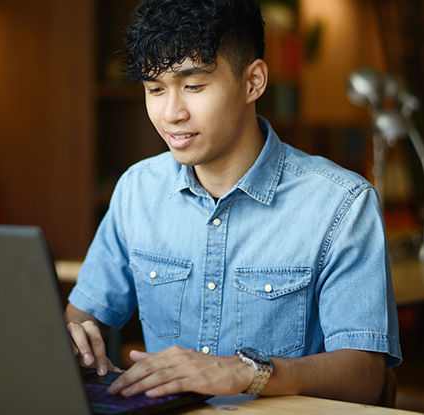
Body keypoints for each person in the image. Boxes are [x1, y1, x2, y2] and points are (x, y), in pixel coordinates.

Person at [65, 0, 401, 405]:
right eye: (155, 89)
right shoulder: (138, 190)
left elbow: (364, 374)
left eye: (193, 86)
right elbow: (83, 318)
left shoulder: (341, 203)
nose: (171, 113)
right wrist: (73, 337)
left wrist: (244, 372)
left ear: (253, 81)